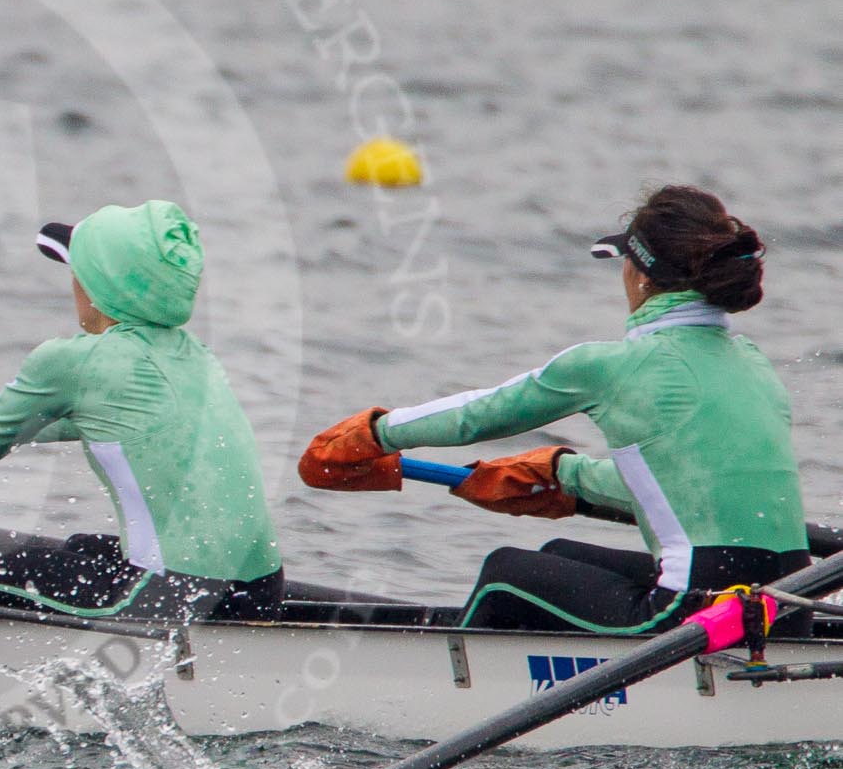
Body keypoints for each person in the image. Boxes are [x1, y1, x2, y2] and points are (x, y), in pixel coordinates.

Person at [298, 184, 808, 634]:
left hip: (694, 616)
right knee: (558, 557)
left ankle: (451, 687)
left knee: (504, 573)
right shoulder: (754, 363)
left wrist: (375, 434)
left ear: (642, 275)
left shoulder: (610, 366)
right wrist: (567, 476)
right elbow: (695, 489)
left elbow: (481, 414)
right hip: (785, 607)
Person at [0, 200, 285, 622]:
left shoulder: (77, 362)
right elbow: (46, 425)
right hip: (260, 590)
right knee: (82, 548)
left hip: (175, 597)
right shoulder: (196, 357)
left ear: (101, 287)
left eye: (75, 272)